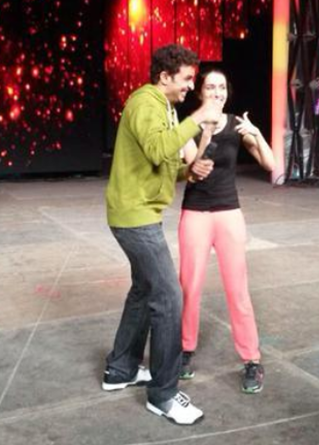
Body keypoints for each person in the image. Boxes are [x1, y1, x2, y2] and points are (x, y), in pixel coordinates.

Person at [102, 44, 223, 425]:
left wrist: (189, 171)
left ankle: (120, 370)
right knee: (169, 298)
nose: (191, 86)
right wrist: (199, 117)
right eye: (186, 79)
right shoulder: (145, 102)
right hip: (134, 218)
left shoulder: (166, 109)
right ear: (165, 76)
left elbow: (162, 163)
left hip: (143, 214)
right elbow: (157, 149)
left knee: (143, 291)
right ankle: (164, 394)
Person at [177, 68, 275, 394]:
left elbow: (271, 164)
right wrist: (205, 131)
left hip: (229, 213)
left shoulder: (236, 125)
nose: (217, 92)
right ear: (200, 92)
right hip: (195, 213)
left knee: (238, 289)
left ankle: (251, 360)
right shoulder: (188, 126)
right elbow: (196, 169)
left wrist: (257, 134)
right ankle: (184, 350)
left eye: (221, 87)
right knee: (189, 287)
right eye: (210, 87)